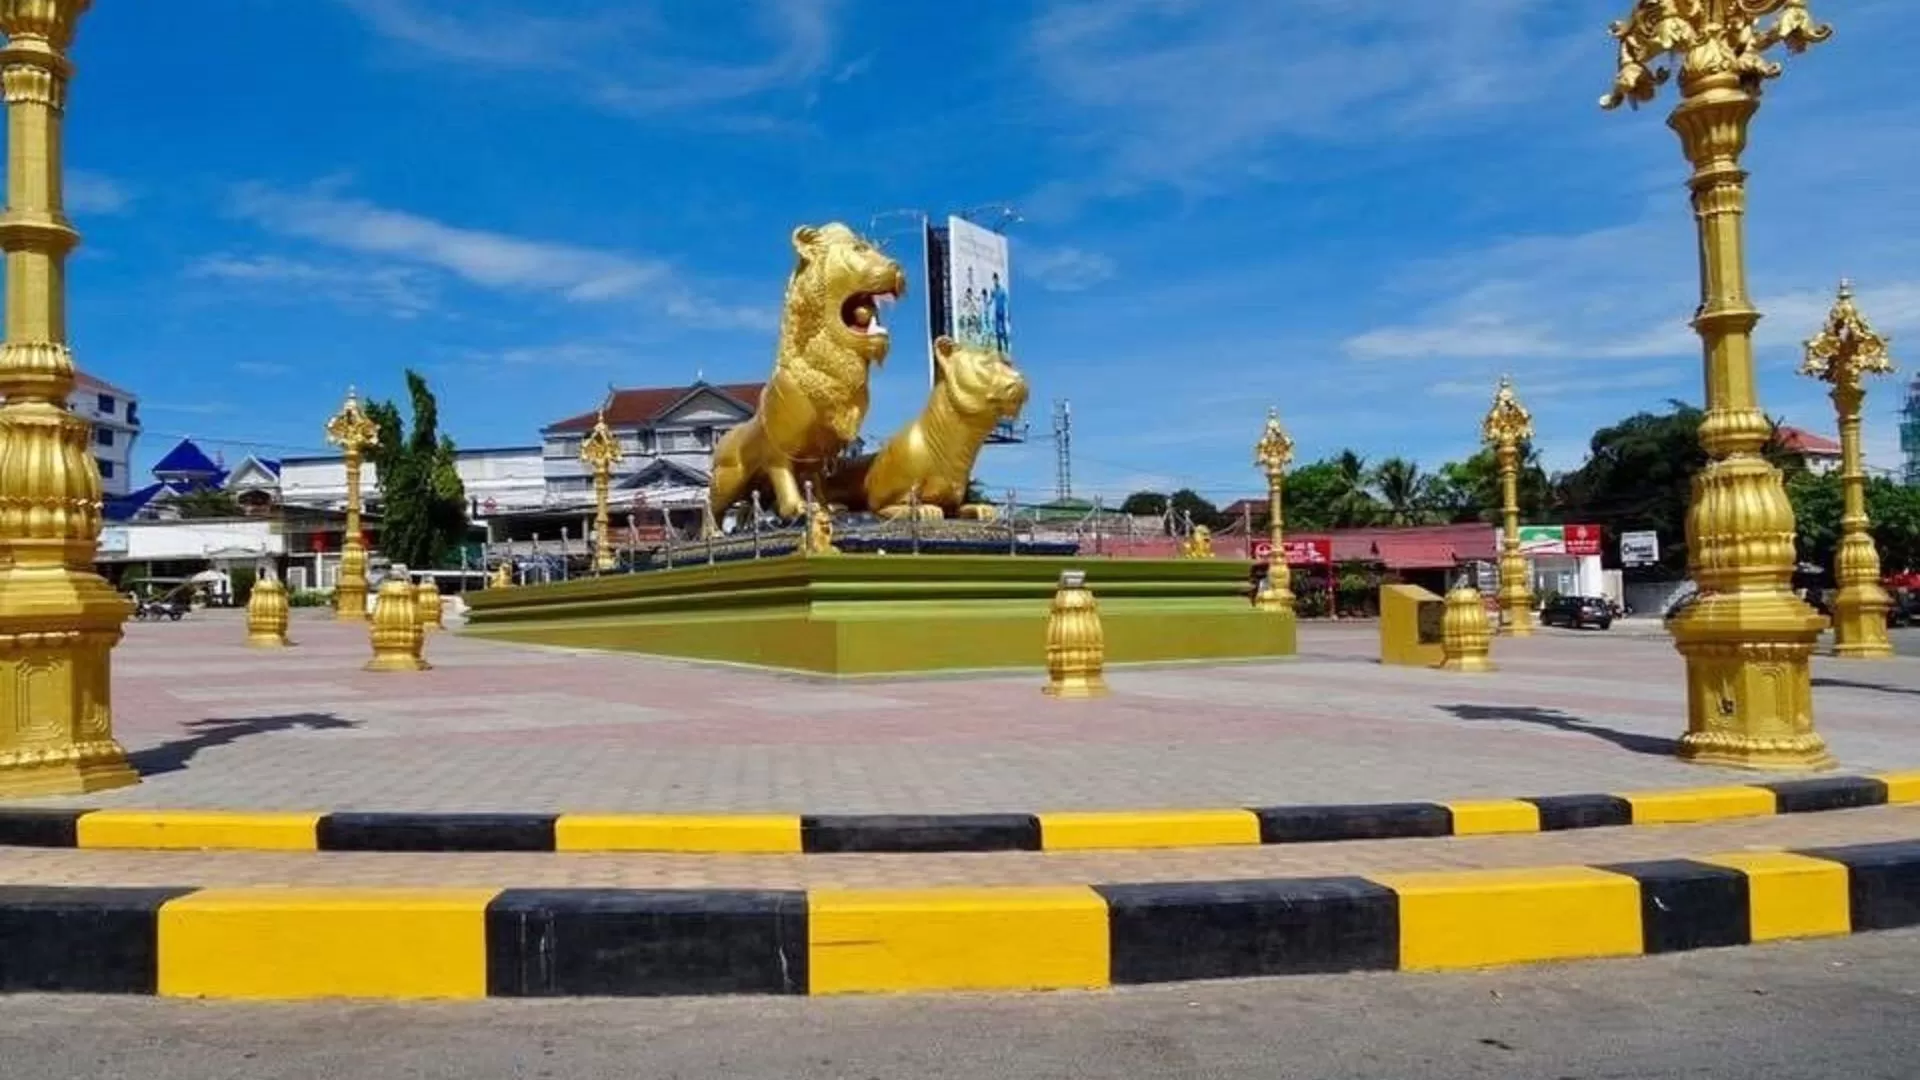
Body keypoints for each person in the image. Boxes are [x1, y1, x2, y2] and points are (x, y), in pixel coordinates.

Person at [990, 272, 1010, 354]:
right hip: (997, 313)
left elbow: (1007, 302)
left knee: (1004, 331)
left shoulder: (1002, 290)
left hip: (1003, 313)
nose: (995, 281)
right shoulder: (993, 291)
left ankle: (1006, 348)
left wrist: (1009, 314)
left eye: (996, 280)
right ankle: (999, 350)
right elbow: (991, 301)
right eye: (994, 280)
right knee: (997, 331)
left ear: (998, 280)